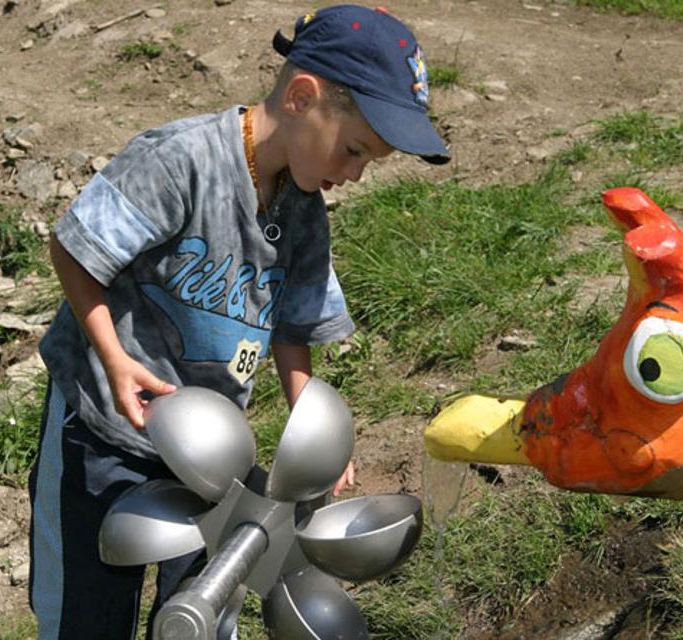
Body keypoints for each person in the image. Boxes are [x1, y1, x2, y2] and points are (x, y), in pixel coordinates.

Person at [28, 4, 449, 639]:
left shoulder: (304, 209)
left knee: (203, 604)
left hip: (206, 453)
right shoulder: (180, 162)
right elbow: (74, 247)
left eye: (370, 161)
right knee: (88, 614)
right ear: (303, 97)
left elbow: (293, 325)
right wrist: (115, 359)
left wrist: (314, 429)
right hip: (104, 429)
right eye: (355, 149)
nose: (355, 173)